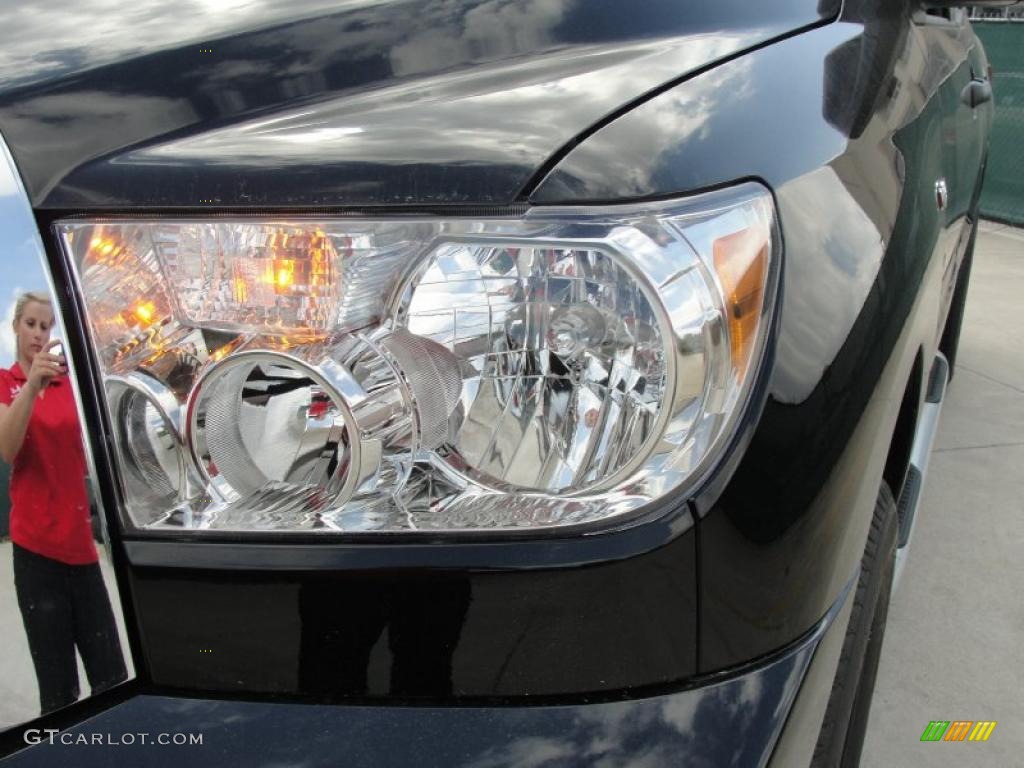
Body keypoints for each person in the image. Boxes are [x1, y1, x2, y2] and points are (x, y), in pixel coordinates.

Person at [0, 291, 127, 715]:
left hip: (82, 551)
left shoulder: (70, 385)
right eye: (31, 324)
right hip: (36, 554)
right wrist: (31, 382)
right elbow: (7, 448)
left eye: (45, 326)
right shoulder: (5, 382)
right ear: (16, 327)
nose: (39, 333)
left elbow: (97, 447)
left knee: (112, 679)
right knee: (59, 692)